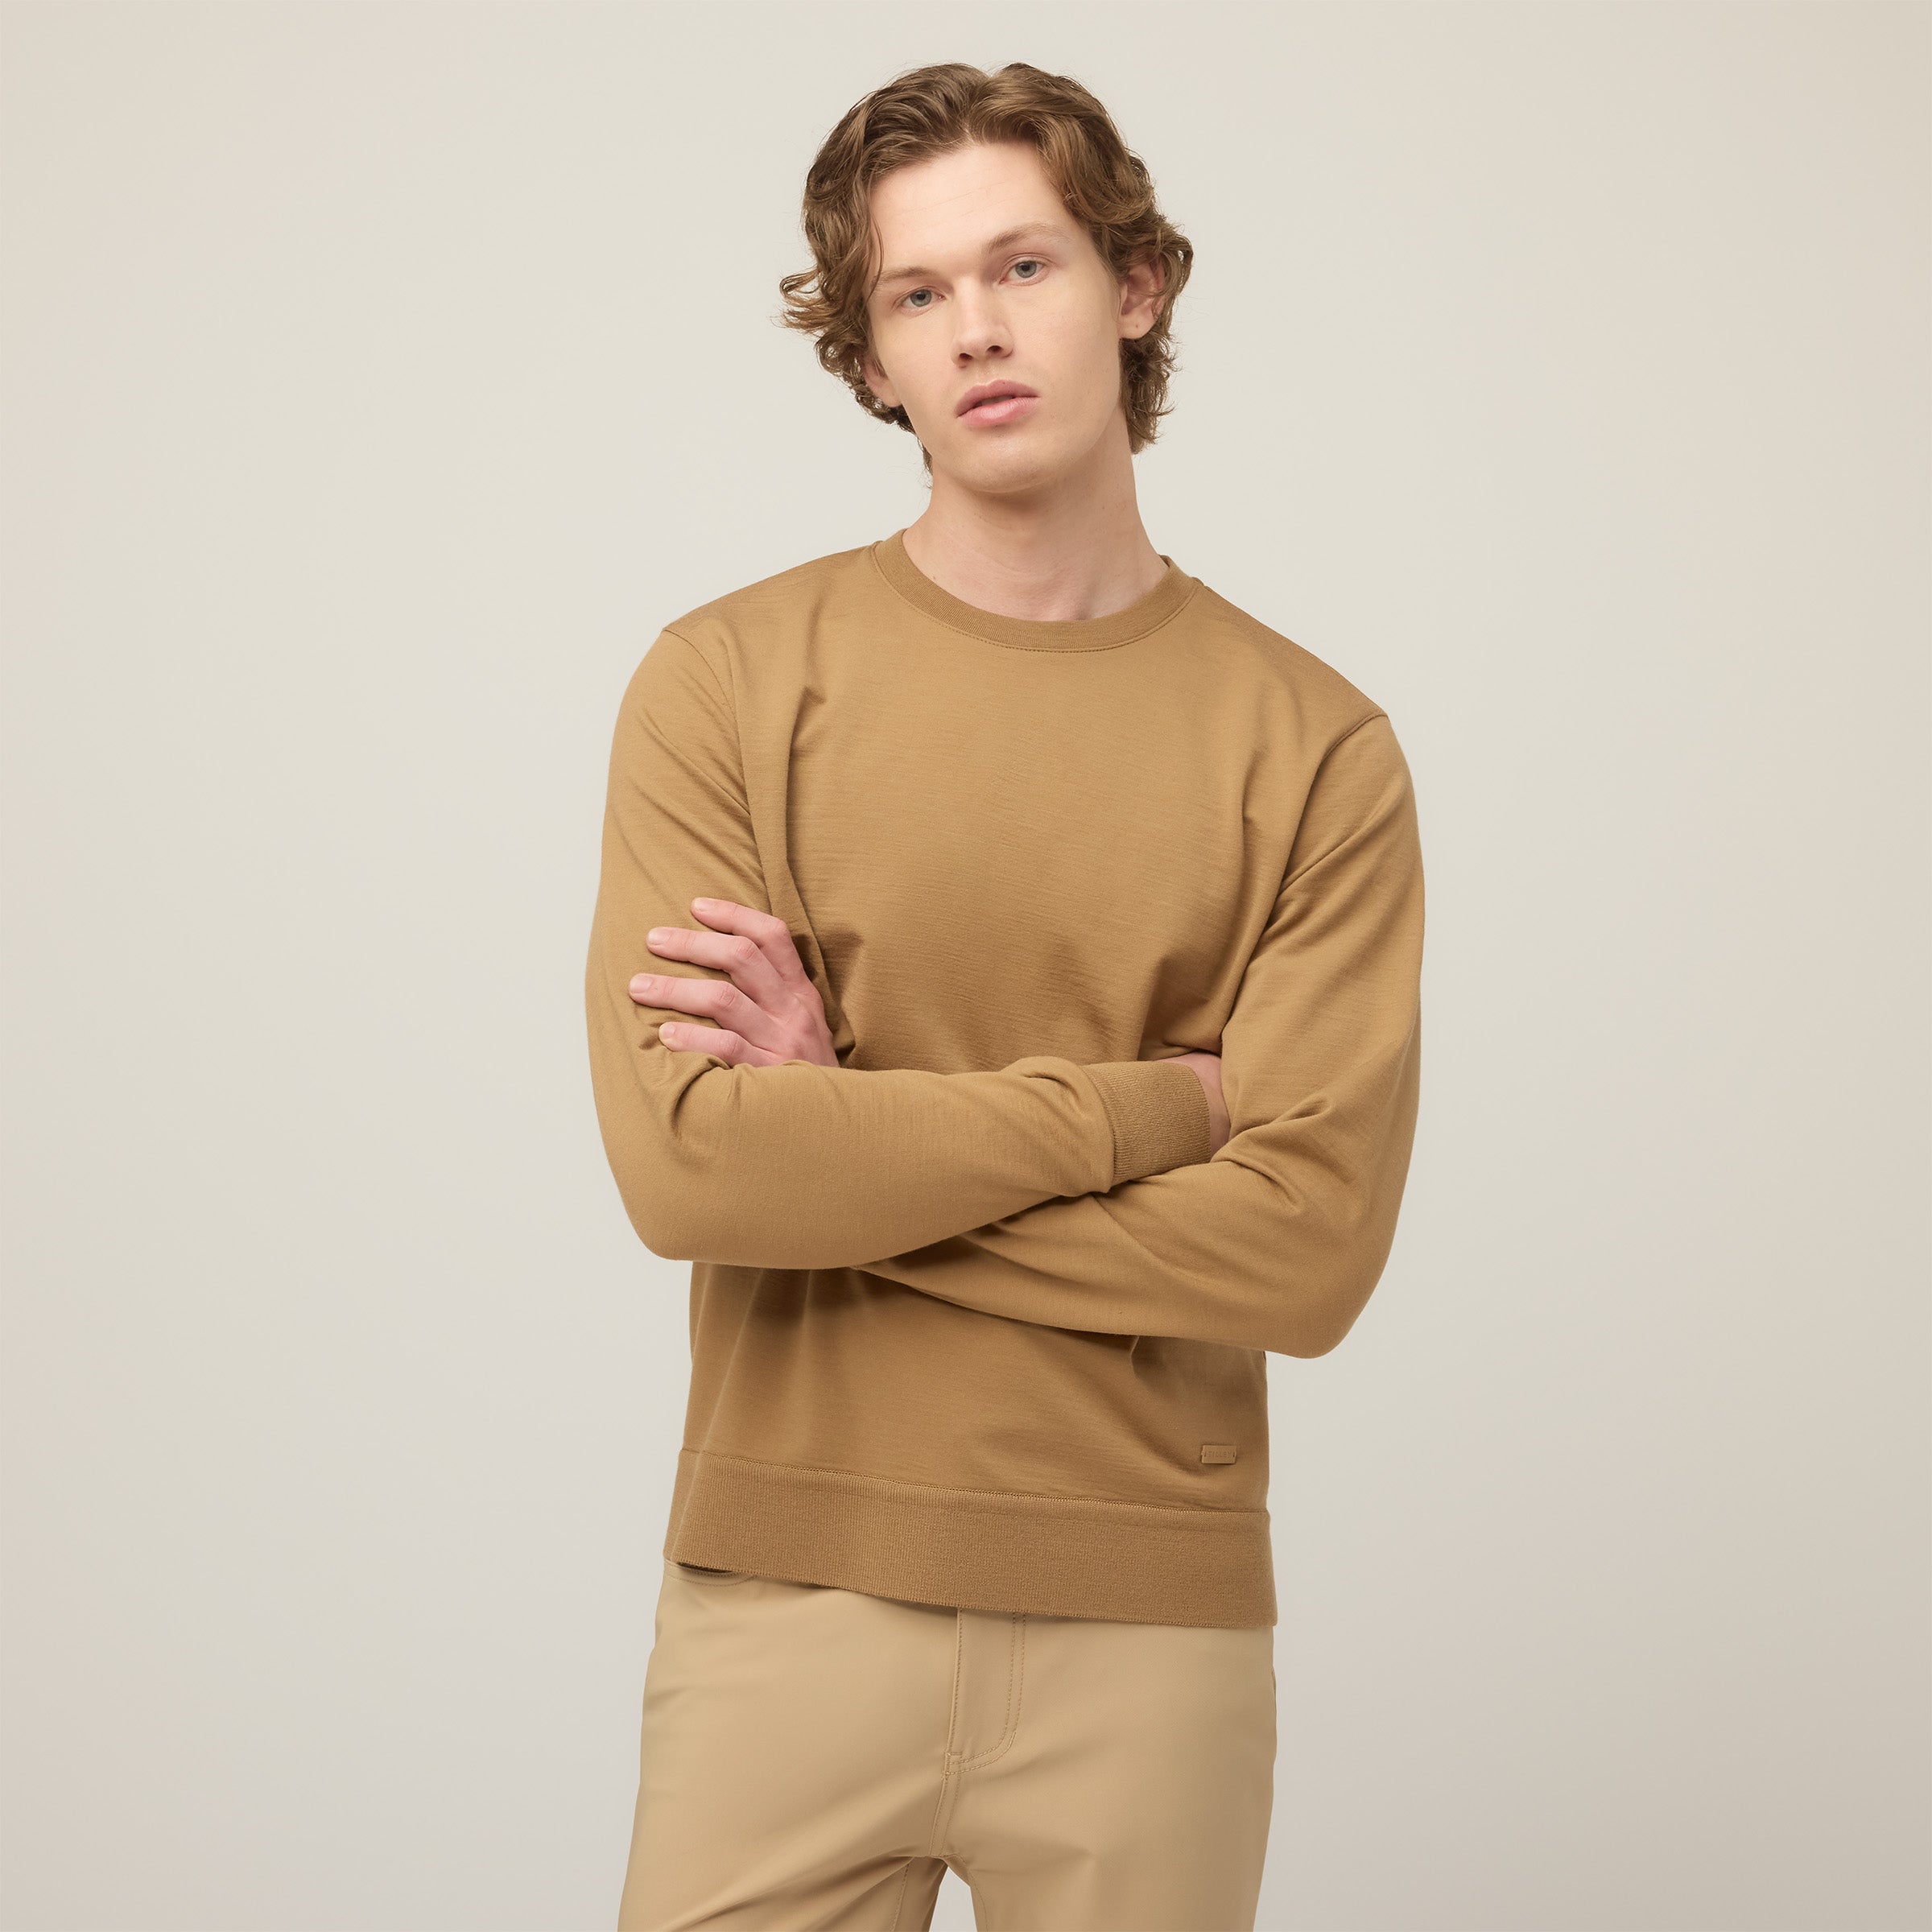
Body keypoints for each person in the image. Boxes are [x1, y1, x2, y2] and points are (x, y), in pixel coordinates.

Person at [584, 57, 1426, 1932]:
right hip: (784, 1605)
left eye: (1023, 266)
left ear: (1136, 285)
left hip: (1151, 1630)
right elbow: (696, 1172)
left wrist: (849, 1150)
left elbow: (1305, 1253)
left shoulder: (1314, 748)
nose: (975, 328)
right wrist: (1162, 1107)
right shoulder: (725, 685)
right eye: (916, 291)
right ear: (869, 356)